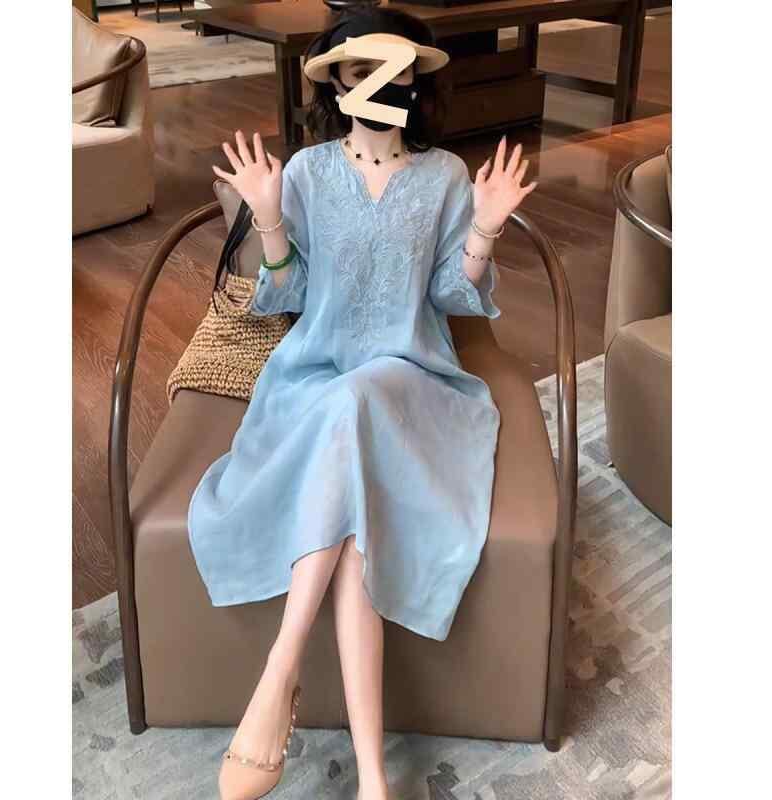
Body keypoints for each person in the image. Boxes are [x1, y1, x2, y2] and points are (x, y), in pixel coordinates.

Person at [188, 7, 538, 800]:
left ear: (415, 81)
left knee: (360, 401)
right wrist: (269, 217)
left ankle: (277, 674)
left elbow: (451, 296)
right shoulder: (307, 173)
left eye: (395, 69)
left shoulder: (445, 176)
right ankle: (375, 781)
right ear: (337, 82)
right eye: (360, 69)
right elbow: (289, 296)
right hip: (315, 380)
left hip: (414, 382)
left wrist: (483, 230)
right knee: (355, 527)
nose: (381, 84)